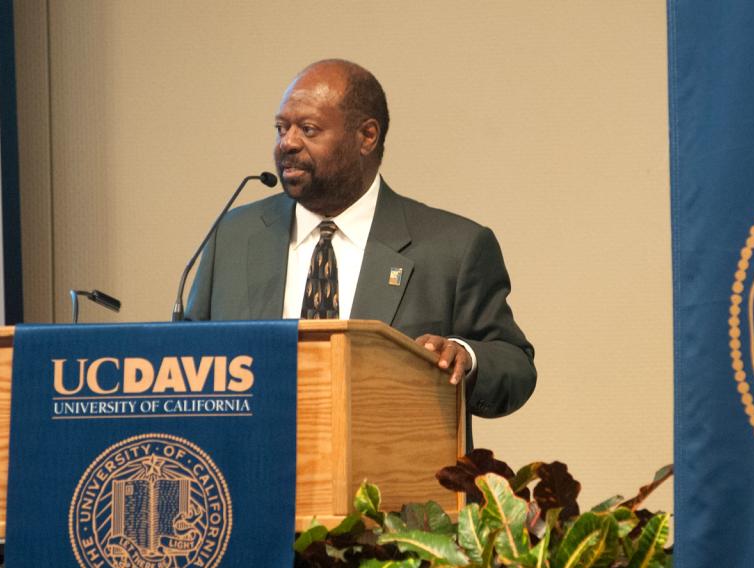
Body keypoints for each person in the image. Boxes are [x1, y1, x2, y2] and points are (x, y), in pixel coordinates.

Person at [185, 59, 535, 418]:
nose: (287, 143)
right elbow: (184, 357)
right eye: (281, 128)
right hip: (254, 450)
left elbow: (515, 366)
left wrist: (466, 356)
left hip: (388, 451)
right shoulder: (233, 235)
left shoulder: (453, 248)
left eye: (308, 129)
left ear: (367, 136)